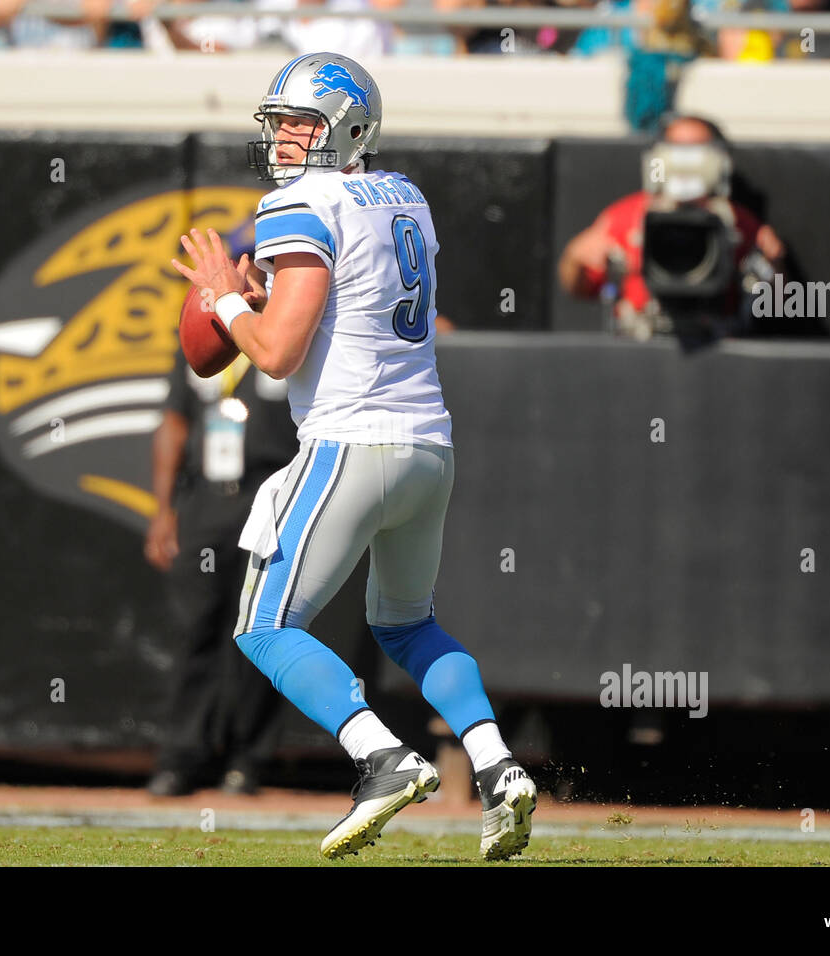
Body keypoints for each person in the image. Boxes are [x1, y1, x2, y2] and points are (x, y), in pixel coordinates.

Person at [171, 51, 537, 860]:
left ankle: (381, 755)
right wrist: (259, 298)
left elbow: (273, 354)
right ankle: (497, 765)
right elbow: (345, 309)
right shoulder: (406, 195)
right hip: (427, 447)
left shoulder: (299, 202)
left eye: (301, 124)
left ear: (347, 127)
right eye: (281, 124)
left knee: (263, 628)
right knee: (407, 625)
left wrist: (225, 296)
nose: (285, 140)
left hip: (351, 441)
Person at [144, 328, 298, 796]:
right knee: (196, 627)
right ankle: (181, 756)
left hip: (272, 491)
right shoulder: (200, 336)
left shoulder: (293, 328)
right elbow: (174, 423)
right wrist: (162, 509)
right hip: (209, 498)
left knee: (260, 627)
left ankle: (247, 759)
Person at [558, 113, 789, 341]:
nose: (685, 160)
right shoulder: (626, 217)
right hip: (641, 344)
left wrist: (774, 267)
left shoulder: (737, 222)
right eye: (676, 148)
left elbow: (777, 303)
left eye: (698, 148)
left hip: (714, 344)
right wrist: (576, 258)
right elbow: (578, 287)